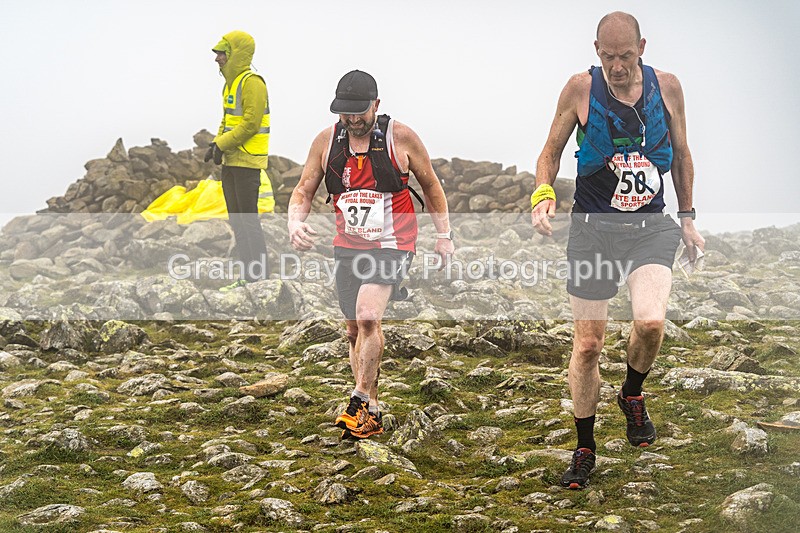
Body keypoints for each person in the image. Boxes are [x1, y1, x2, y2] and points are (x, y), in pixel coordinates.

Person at [531, 12, 705, 489]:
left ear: (642, 48)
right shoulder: (580, 89)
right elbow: (549, 152)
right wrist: (543, 195)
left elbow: (684, 154)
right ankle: (585, 447)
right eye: (607, 57)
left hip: (650, 226)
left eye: (625, 56)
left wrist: (687, 217)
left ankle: (631, 393)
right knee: (588, 344)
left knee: (650, 323)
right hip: (593, 230)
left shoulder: (667, 87)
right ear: (596, 51)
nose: (616, 67)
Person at [288, 70, 454, 439]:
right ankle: (372, 411)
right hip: (348, 245)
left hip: (393, 244)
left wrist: (444, 235)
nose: (352, 120)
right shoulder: (326, 142)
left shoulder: (401, 138)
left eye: (359, 113)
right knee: (353, 331)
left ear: (376, 105)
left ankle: (359, 400)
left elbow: (431, 186)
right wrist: (294, 224)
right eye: (345, 113)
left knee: (367, 317)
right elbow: (303, 190)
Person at [205, 30, 271, 291]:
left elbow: (251, 124)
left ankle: (260, 276)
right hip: (232, 161)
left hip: (248, 162)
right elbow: (228, 120)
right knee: (237, 220)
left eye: (221, 53)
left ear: (235, 54)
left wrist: (222, 143)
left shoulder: (253, 83)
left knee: (248, 220)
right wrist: (216, 144)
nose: (217, 58)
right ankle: (248, 275)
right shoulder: (229, 84)